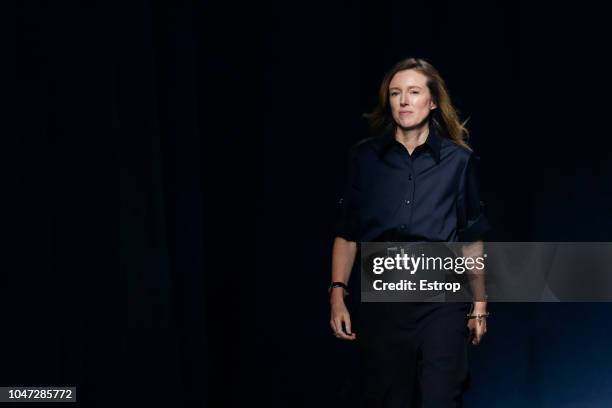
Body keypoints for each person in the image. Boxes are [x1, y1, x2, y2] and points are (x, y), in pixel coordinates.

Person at [329, 57, 492, 407]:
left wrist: (479, 302)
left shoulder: (458, 161)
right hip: (382, 299)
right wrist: (337, 292)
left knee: (441, 397)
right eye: (395, 93)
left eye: (413, 92)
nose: (403, 100)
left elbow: (471, 236)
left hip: (441, 298)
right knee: (389, 399)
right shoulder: (364, 158)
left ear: (432, 101)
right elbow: (347, 232)